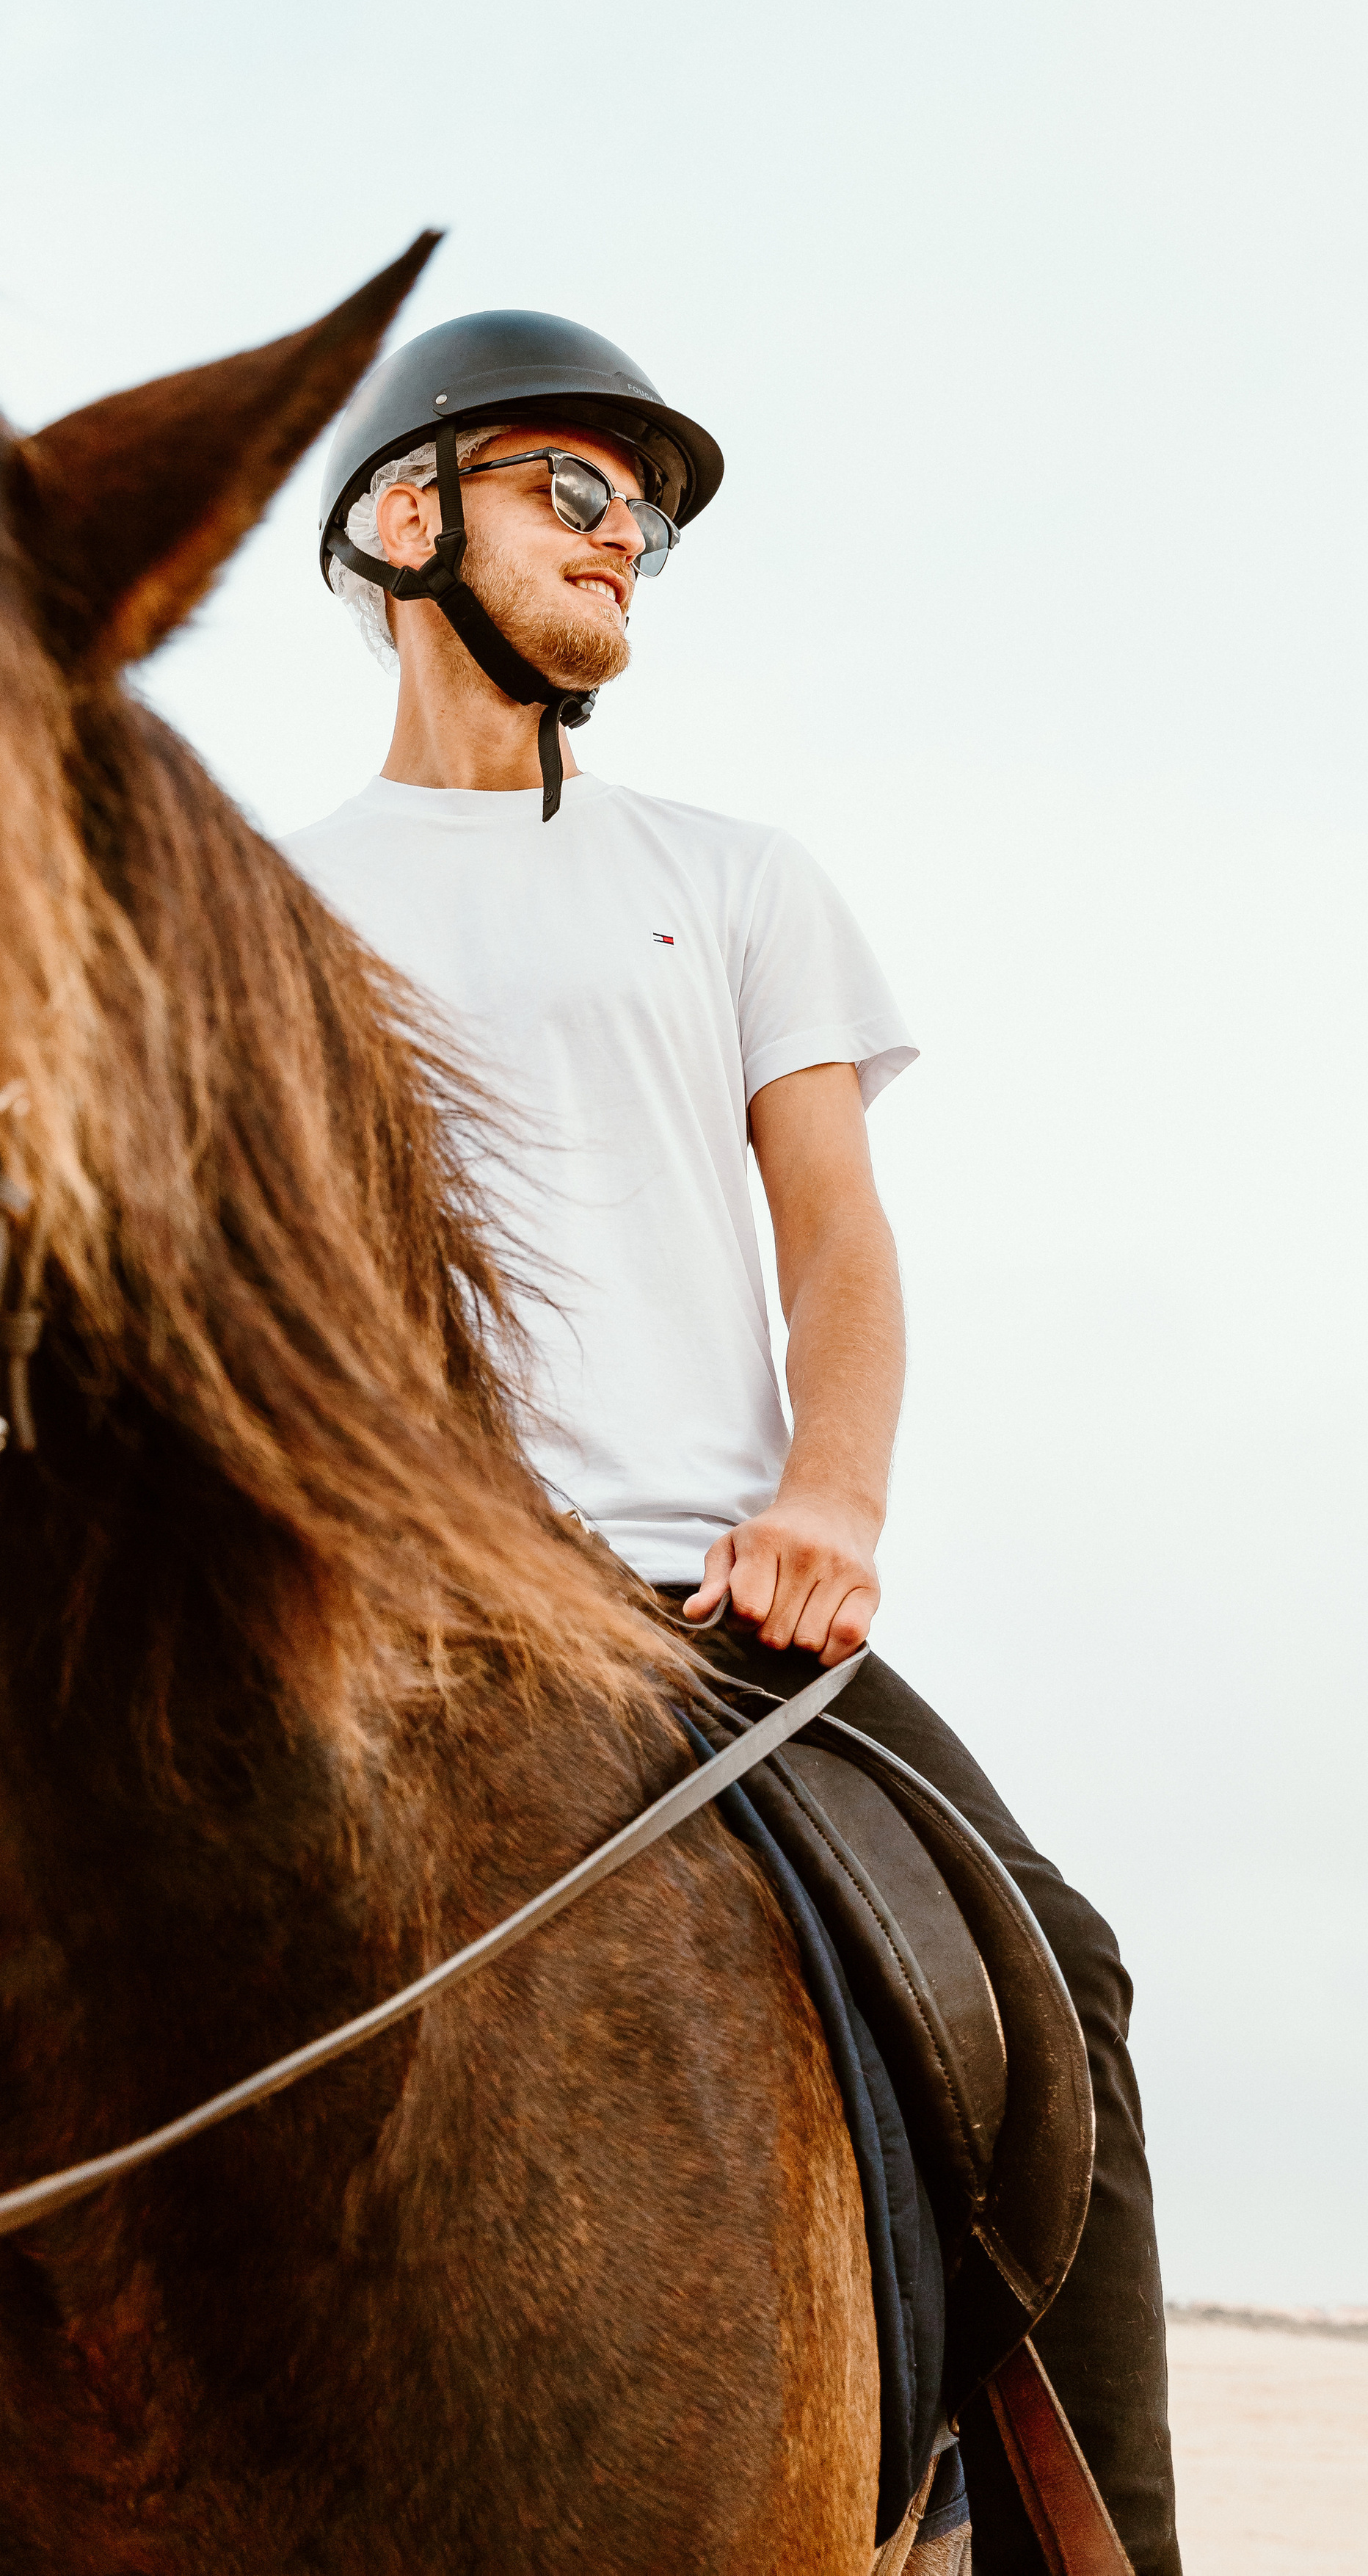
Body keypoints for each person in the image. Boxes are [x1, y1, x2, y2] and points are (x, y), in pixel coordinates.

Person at [285, 311, 1179, 2576]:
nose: (627, 545)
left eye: (650, 520)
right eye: (573, 492)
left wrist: (831, 1500)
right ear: (410, 517)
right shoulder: (271, 905)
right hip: (373, 1608)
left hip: (710, 1600)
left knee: (1057, 1966)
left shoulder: (740, 870)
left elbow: (840, 1243)